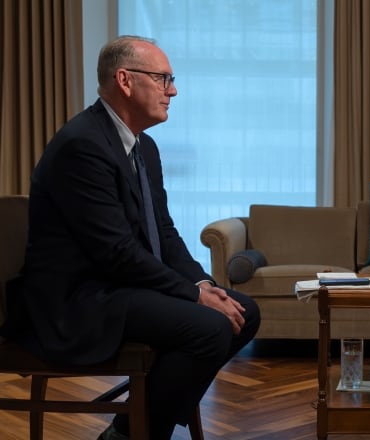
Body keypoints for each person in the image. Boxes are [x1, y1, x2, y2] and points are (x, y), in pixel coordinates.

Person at [4, 35, 261, 439]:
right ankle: (135, 432)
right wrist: (193, 297)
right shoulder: (82, 145)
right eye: (163, 79)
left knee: (242, 312)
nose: (172, 90)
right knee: (208, 328)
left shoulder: (146, 147)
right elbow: (116, 252)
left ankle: (132, 426)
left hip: (122, 287)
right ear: (125, 80)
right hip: (80, 300)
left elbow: (164, 232)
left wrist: (204, 284)